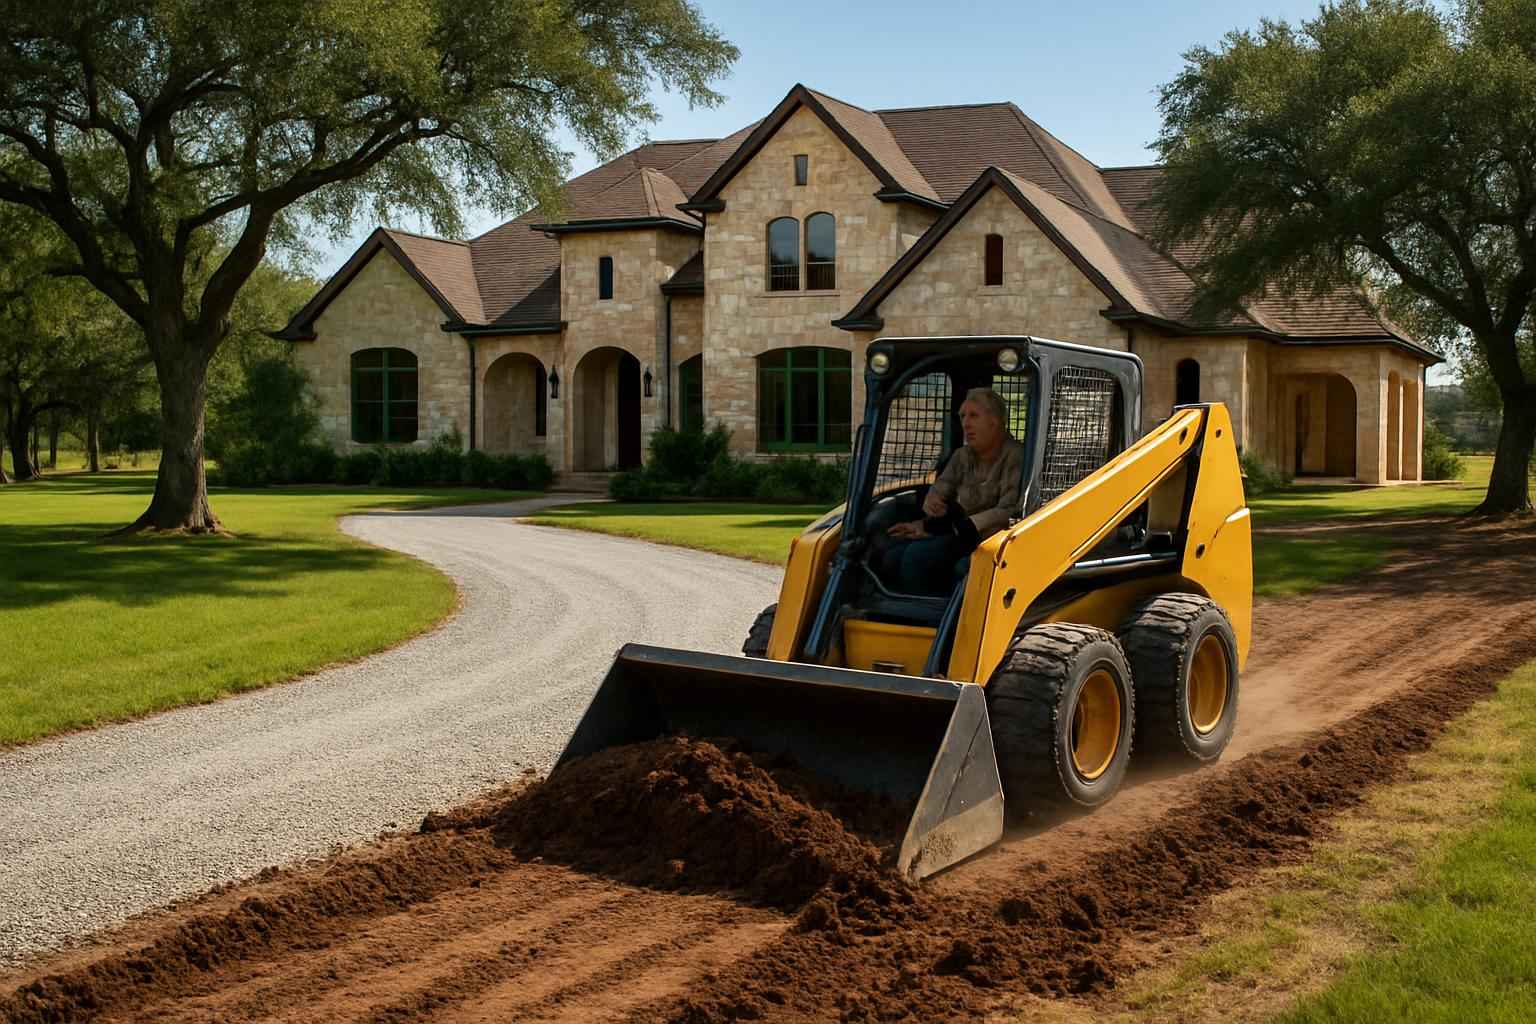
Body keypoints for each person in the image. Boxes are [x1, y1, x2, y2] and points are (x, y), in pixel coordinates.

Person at [878, 387, 1025, 595]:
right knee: (891, 555)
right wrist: (931, 503)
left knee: (916, 557)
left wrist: (964, 526)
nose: (966, 424)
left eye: (974, 416)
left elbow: (1010, 509)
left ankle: (929, 620)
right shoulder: (962, 456)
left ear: (996, 421)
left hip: (991, 543)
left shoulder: (1015, 456)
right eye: (963, 416)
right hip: (957, 534)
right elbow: (941, 488)